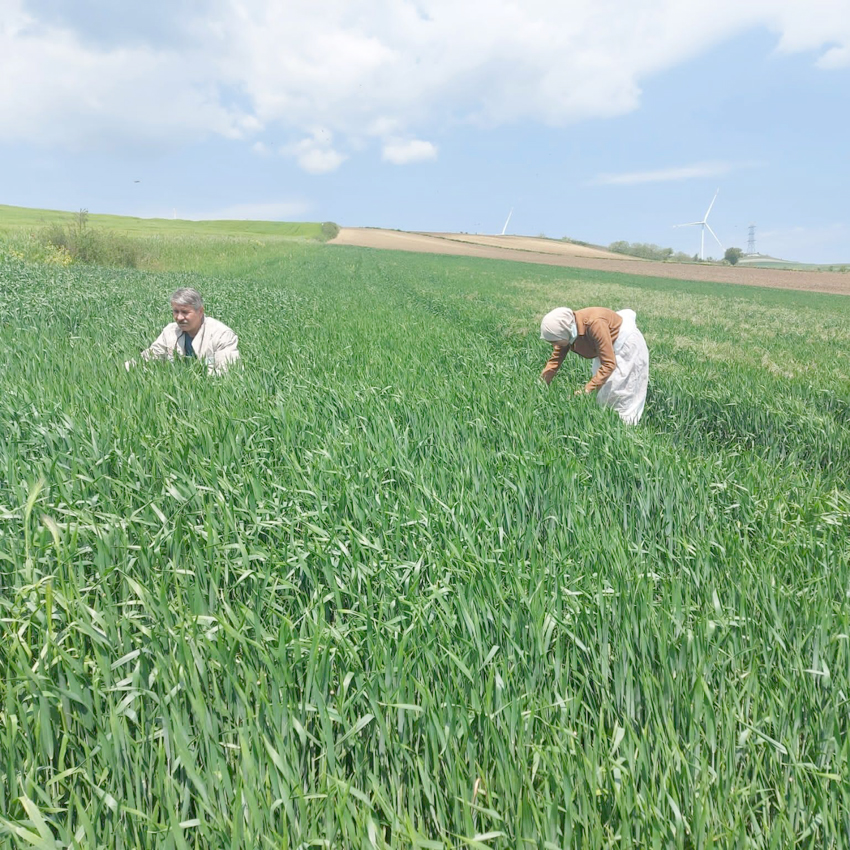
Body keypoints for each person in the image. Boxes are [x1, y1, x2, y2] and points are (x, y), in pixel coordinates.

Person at [539, 306, 648, 424]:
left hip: (626, 346)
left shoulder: (595, 324)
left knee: (620, 390)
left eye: (554, 341)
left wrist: (586, 390)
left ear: (564, 332)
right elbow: (555, 361)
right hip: (605, 348)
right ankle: (606, 423)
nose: (554, 346)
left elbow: (608, 364)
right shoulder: (568, 330)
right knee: (603, 391)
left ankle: (625, 427)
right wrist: (541, 384)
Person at [126, 288, 240, 374]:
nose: (179, 317)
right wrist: (122, 370)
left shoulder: (221, 335)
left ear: (200, 312)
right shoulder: (170, 332)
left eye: (185, 312)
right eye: (176, 311)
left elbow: (227, 373)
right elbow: (149, 357)